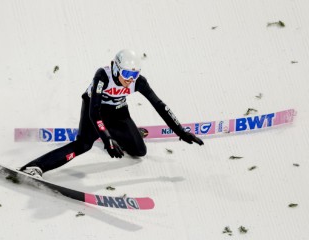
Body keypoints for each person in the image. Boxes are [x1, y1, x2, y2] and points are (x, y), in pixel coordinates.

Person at [20, 49, 204, 178]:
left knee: (140, 151)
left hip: (118, 112)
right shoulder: (102, 76)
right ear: (116, 68)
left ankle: (119, 134)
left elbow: (160, 105)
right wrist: (106, 138)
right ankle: (35, 166)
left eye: (135, 75)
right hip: (95, 109)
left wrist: (180, 131)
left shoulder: (137, 81)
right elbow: (94, 112)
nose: (130, 79)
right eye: (126, 73)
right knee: (83, 145)